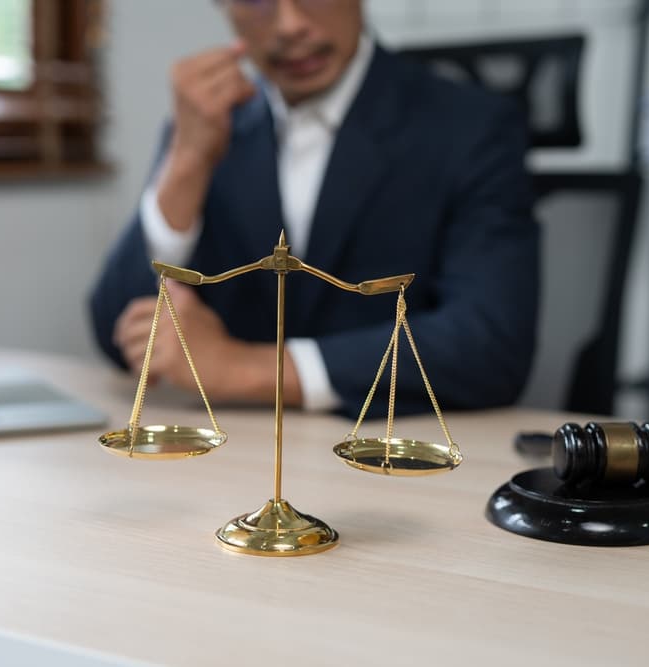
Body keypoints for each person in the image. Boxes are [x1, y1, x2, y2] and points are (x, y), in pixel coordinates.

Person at [90, 0, 539, 418]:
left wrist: (248, 368)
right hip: (238, 457)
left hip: (386, 450)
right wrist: (186, 161)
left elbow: (491, 344)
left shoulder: (471, 126)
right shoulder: (207, 124)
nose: (290, 25)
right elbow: (118, 333)